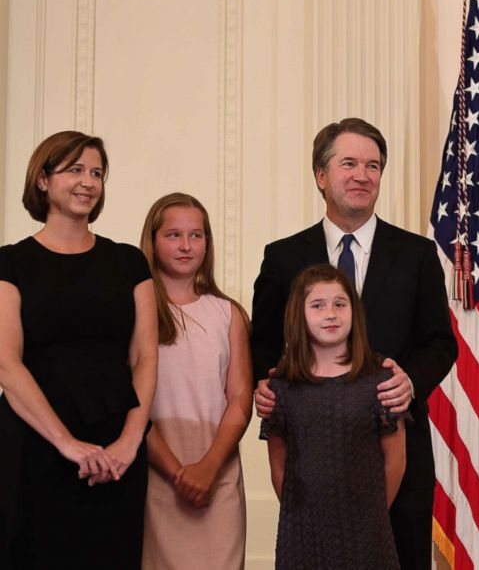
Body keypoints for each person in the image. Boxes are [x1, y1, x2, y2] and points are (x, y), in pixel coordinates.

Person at [251, 117, 457, 570]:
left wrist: (409, 383)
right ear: (321, 175)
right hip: (312, 461)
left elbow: (441, 343)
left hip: (397, 454)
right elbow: (262, 342)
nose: (363, 175)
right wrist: (265, 386)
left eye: (373, 165)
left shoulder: (417, 254)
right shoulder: (282, 256)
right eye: (349, 163)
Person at [0, 131, 158, 568]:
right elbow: (6, 364)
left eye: (96, 173)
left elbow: (146, 357)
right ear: (43, 180)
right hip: (36, 446)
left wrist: (129, 442)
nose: (88, 181)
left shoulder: (129, 262)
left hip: (117, 450)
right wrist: (68, 444)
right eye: (75, 170)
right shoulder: (10, 262)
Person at [261, 264, 409, 569]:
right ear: (298, 315)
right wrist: (300, 513)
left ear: (354, 312)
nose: (331, 313)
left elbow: (395, 460)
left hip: (368, 531)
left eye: (340, 304)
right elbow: (279, 463)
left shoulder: (380, 380)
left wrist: (373, 514)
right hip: (301, 532)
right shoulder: (282, 386)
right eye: (318, 305)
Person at [139, 193, 253, 570]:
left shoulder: (227, 313)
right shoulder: (136, 314)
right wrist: (176, 472)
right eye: (173, 235)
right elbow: (131, 401)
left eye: (196, 235)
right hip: (155, 474)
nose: (186, 245)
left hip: (216, 474)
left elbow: (239, 398)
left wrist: (207, 468)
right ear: (152, 241)